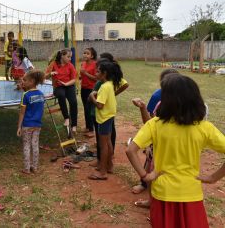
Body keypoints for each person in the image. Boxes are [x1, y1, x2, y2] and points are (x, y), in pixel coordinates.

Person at [126, 73, 225, 228]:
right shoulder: (205, 128)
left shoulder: (155, 124)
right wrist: (213, 178)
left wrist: (145, 176)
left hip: (162, 193)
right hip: (191, 193)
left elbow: (130, 150)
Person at [131, 68, 179, 199]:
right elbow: (149, 123)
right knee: (150, 161)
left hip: (175, 141)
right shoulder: (157, 97)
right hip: (158, 139)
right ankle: (145, 184)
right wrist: (142, 108)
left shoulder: (183, 100)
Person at [89, 53, 128, 168]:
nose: (95, 73)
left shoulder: (105, 86)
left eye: (97, 71)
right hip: (108, 116)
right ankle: (109, 165)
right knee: (108, 142)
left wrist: (92, 97)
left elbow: (100, 105)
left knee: (103, 144)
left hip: (103, 117)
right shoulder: (110, 83)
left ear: (104, 73)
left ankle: (102, 170)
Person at [17, 69, 45, 174]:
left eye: (25, 80)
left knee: (26, 146)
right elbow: (41, 110)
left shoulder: (26, 95)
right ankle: (35, 167)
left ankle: (26, 169)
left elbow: (22, 113)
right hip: (37, 125)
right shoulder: (41, 94)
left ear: (32, 81)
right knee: (35, 145)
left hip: (27, 125)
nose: (22, 82)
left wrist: (19, 127)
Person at [45, 49, 78, 133]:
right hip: (58, 86)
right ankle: (66, 118)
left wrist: (66, 84)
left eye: (71, 57)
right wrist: (50, 74)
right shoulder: (53, 64)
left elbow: (74, 79)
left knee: (73, 102)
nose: (70, 59)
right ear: (62, 56)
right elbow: (45, 76)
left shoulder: (70, 65)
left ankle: (74, 124)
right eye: (68, 57)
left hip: (68, 85)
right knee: (61, 95)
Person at [79, 47, 97, 138]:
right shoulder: (83, 64)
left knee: (90, 109)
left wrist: (85, 73)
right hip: (84, 88)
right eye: (84, 53)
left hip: (92, 89)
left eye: (87, 53)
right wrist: (79, 77)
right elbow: (81, 76)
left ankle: (92, 130)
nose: (85, 55)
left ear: (92, 56)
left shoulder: (95, 64)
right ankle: (88, 127)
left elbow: (96, 78)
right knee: (86, 109)